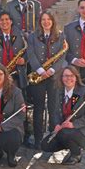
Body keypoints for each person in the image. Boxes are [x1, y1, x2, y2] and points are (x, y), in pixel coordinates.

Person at [41, 66, 85, 165]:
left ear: (76, 77)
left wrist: (74, 124)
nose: (69, 78)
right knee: (45, 145)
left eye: (72, 76)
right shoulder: (59, 92)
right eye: (66, 76)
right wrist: (57, 125)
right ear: (61, 78)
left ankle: (76, 154)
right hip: (65, 130)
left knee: (65, 133)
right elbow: (55, 112)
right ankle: (71, 143)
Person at [26, 11, 67, 149]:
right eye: (43, 19)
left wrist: (52, 70)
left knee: (53, 107)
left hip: (54, 77)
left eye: (49, 19)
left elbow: (62, 56)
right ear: (40, 21)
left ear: (53, 21)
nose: (46, 22)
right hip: (38, 76)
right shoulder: (32, 36)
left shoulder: (60, 36)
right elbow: (30, 54)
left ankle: (52, 138)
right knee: (38, 108)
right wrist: (40, 70)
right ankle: (38, 139)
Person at [0, 11, 28, 90]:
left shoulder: (20, 36)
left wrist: (24, 59)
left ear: (11, 22)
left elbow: (28, 52)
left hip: (17, 76)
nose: (4, 22)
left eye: (7, 19)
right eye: (1, 20)